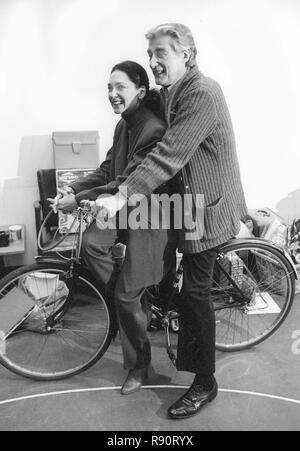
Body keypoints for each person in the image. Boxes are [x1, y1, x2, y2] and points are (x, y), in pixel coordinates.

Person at [96, 24, 248, 419]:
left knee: (195, 296)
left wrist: (123, 194)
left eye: (162, 53)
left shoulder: (202, 92)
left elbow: (170, 153)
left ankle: (204, 383)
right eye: (151, 55)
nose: (154, 62)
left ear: (188, 54)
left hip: (208, 207)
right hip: (188, 204)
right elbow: (147, 134)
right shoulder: (168, 94)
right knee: (167, 282)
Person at [54, 61, 175, 395]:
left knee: (125, 295)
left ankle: (141, 365)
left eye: (119, 87)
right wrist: (75, 189)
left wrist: (80, 200)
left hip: (151, 214)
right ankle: (131, 300)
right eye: (109, 87)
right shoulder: (124, 126)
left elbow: (128, 181)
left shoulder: (152, 128)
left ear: (139, 90)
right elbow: (110, 169)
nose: (112, 94)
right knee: (89, 243)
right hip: (121, 205)